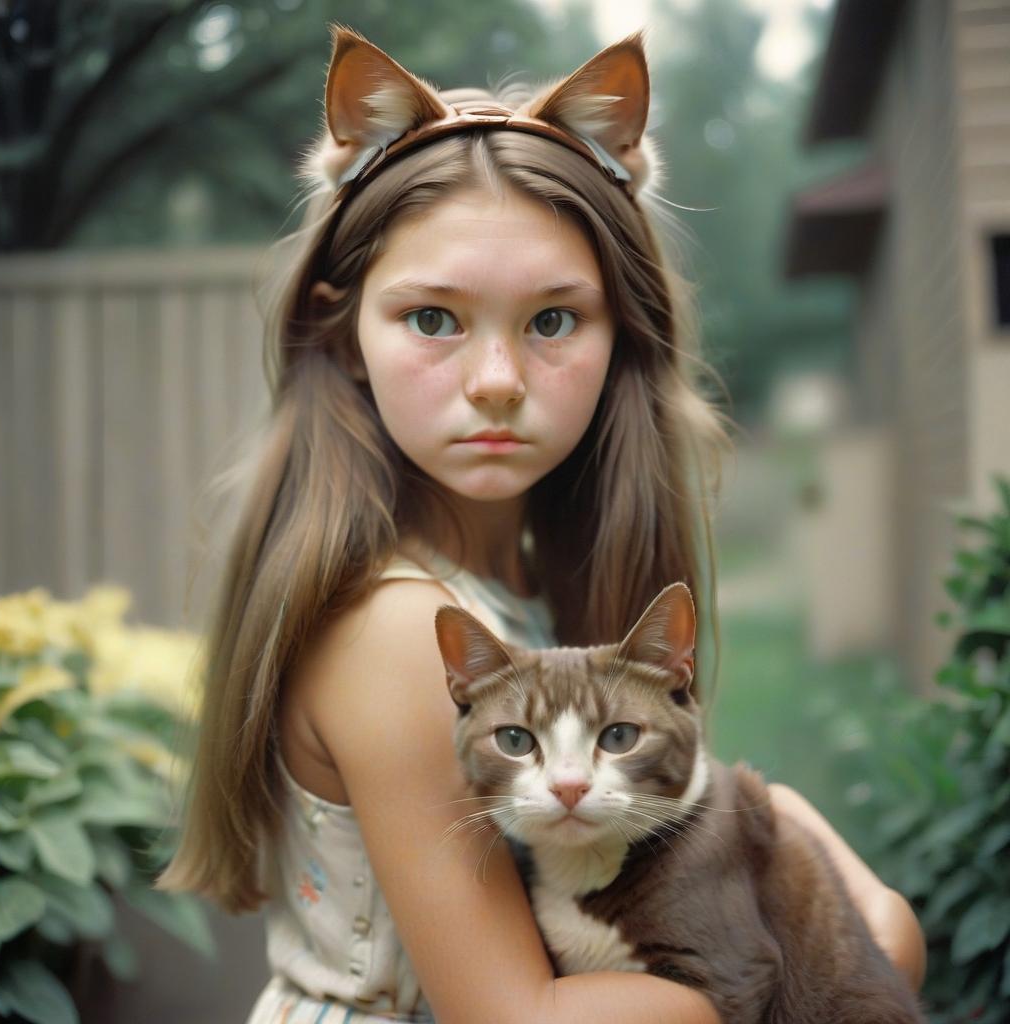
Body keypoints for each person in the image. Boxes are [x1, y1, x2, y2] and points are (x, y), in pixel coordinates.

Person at [159, 25, 925, 1024]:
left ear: (623, 337)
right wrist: (868, 943)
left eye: (552, 320)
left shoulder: (519, 587)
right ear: (341, 334)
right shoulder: (395, 630)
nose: (495, 383)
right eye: (432, 317)